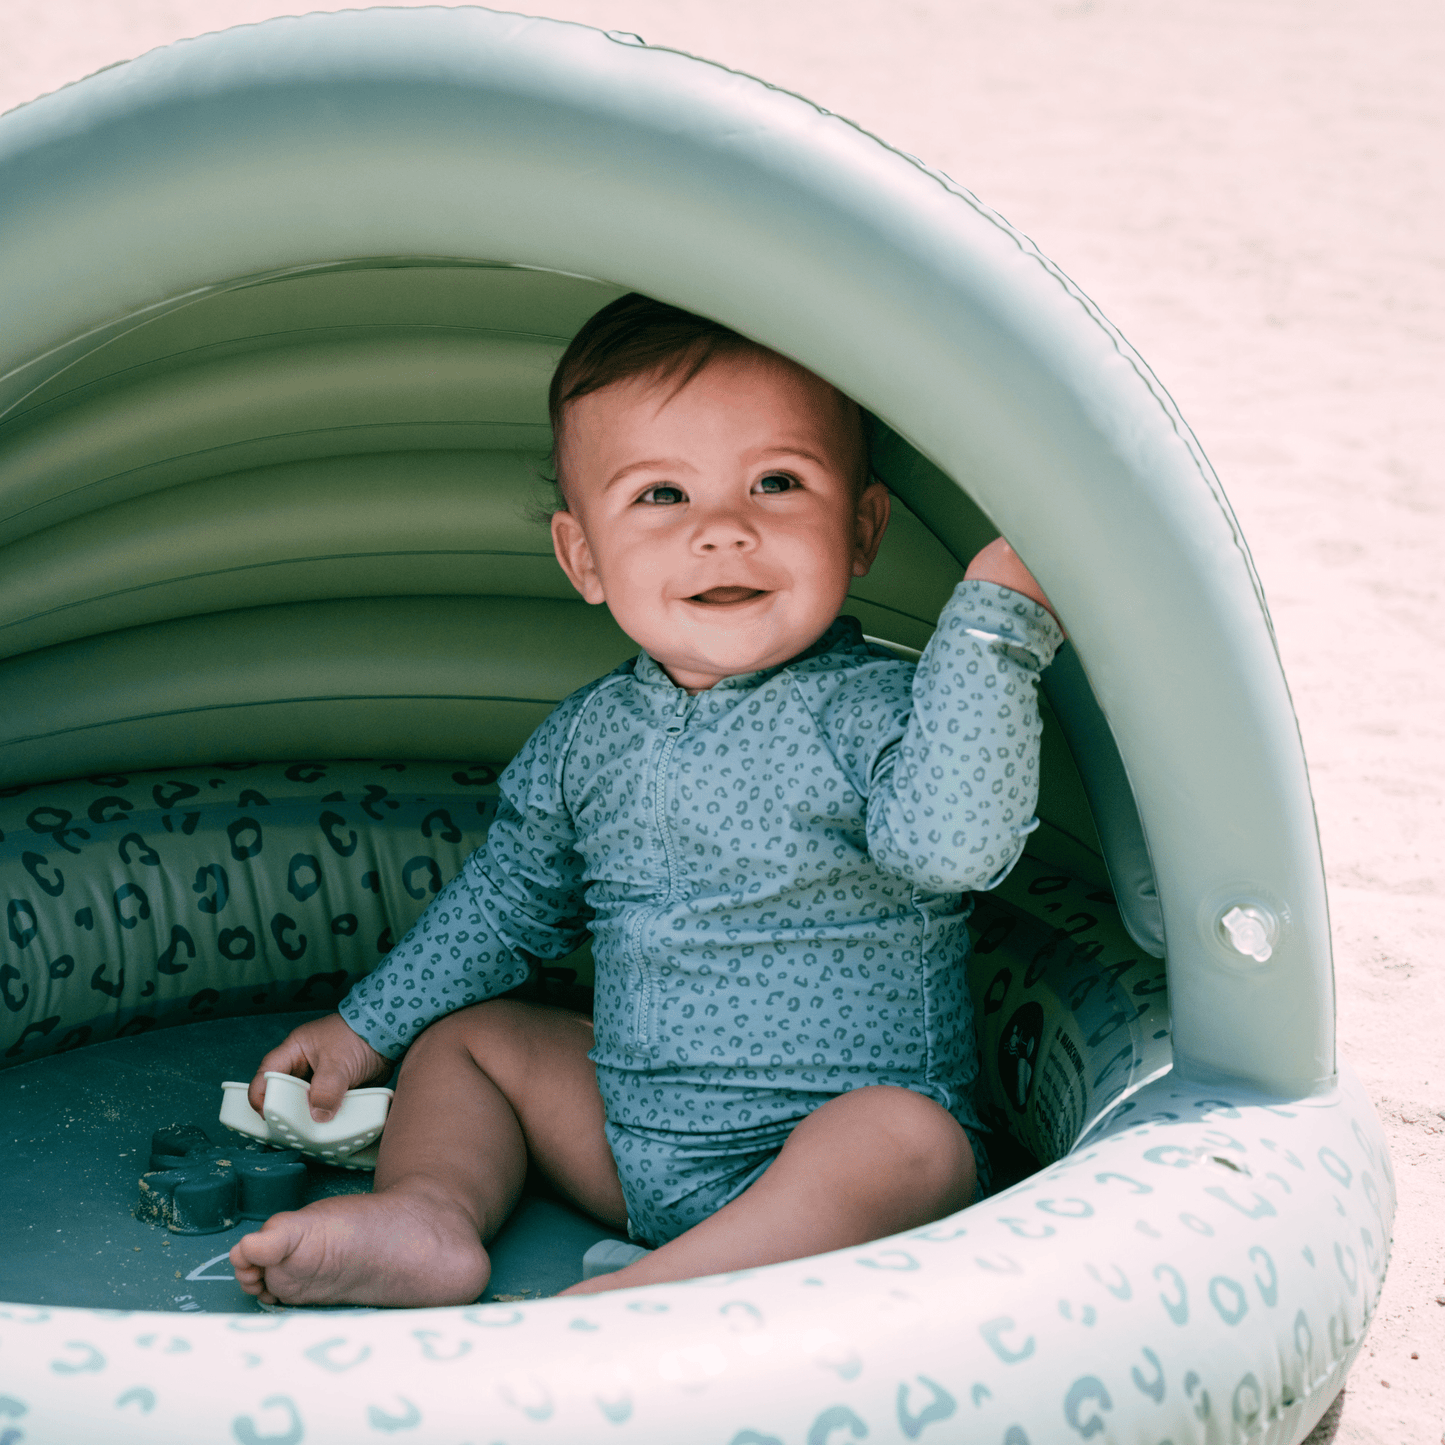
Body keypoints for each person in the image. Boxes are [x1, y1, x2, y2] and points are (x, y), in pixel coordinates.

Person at [229, 294, 1063, 1307]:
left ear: (860, 529)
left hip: (832, 1164)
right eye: (662, 494)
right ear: (582, 556)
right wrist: (366, 1027)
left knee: (906, 1136)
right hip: (632, 1148)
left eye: (775, 481)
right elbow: (503, 908)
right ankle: (429, 1212)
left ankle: (649, 1298)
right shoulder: (587, 738)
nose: (723, 531)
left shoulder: (878, 708)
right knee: (472, 1041)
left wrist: (991, 631)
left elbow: (952, 848)